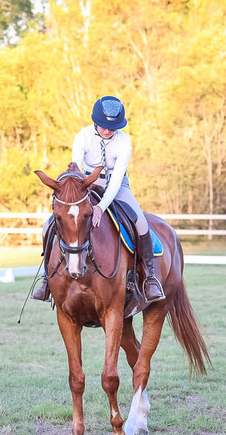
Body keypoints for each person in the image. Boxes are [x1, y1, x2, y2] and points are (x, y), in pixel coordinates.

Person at [32, 95, 165, 303]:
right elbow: (75, 169)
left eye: (112, 128)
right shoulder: (83, 136)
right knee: (48, 224)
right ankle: (46, 280)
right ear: (96, 121)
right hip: (86, 184)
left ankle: (150, 277)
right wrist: (78, 190)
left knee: (140, 221)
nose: (107, 131)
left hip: (117, 185)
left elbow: (116, 180)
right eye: (103, 126)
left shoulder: (124, 142)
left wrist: (101, 207)